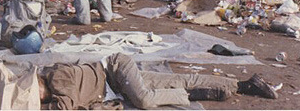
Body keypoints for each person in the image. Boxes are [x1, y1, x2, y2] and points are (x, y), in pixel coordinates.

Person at [38, 53, 277, 110]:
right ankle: (245, 85)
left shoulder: (56, 77)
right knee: (180, 79)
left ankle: (192, 96)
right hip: (119, 88)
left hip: (116, 69)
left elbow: (65, 102)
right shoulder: (57, 97)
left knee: (145, 100)